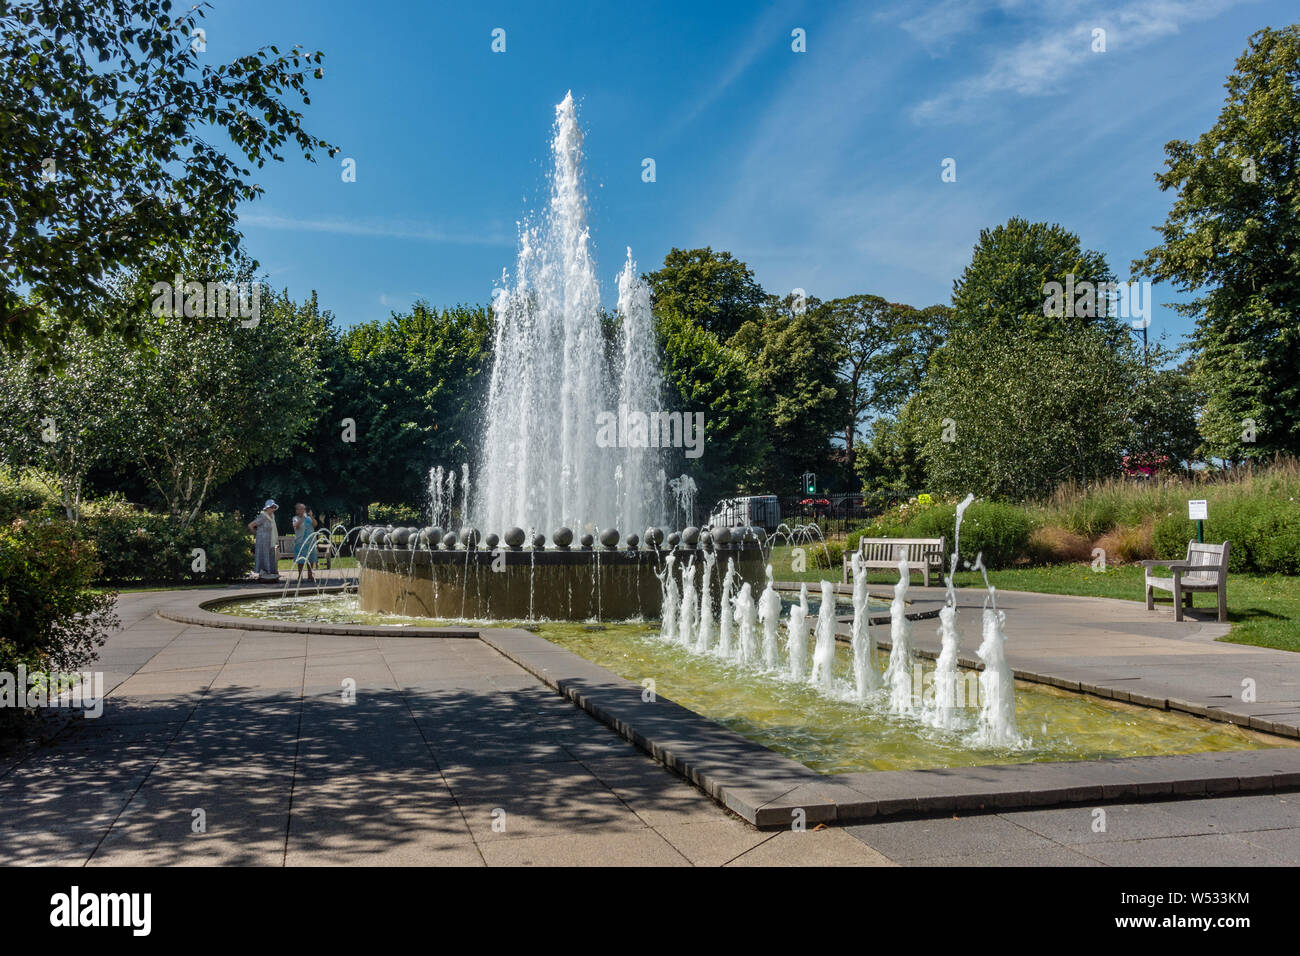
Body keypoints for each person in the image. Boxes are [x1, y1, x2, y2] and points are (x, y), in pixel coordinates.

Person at [249, 500, 281, 582]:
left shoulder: (273, 516)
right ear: (267, 508)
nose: (272, 509)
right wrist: (256, 534)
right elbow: (251, 525)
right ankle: (263, 575)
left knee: (271, 557)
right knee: (263, 557)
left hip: (270, 541)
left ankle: (271, 574)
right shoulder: (263, 516)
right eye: (271, 507)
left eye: (273, 507)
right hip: (262, 542)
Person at [292, 502, 318, 581]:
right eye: (301, 509)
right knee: (301, 560)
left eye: (304, 509)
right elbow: (296, 526)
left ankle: (310, 575)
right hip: (300, 542)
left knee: (311, 559)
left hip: (310, 541)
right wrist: (303, 518)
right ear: (297, 511)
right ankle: (300, 576)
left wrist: (311, 516)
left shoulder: (309, 518)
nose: (303, 510)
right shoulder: (295, 518)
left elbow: (315, 525)